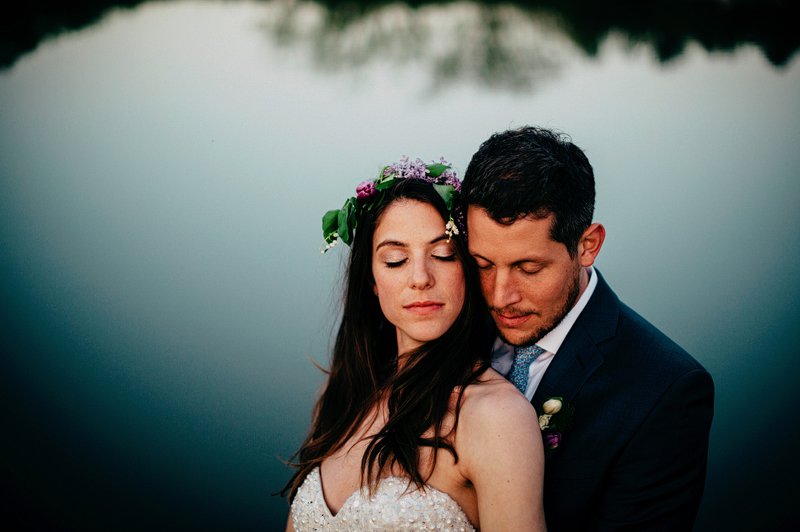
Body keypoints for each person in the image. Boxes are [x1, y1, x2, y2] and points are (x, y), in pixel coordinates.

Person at [462, 126, 714, 531]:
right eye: (483, 264)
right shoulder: (445, 328)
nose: (499, 296)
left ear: (587, 245)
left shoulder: (666, 393)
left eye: (529, 268)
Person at [283, 157, 547, 531]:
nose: (420, 278)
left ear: (468, 268)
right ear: (372, 281)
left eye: (443, 255)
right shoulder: (341, 396)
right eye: (395, 260)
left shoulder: (495, 417)